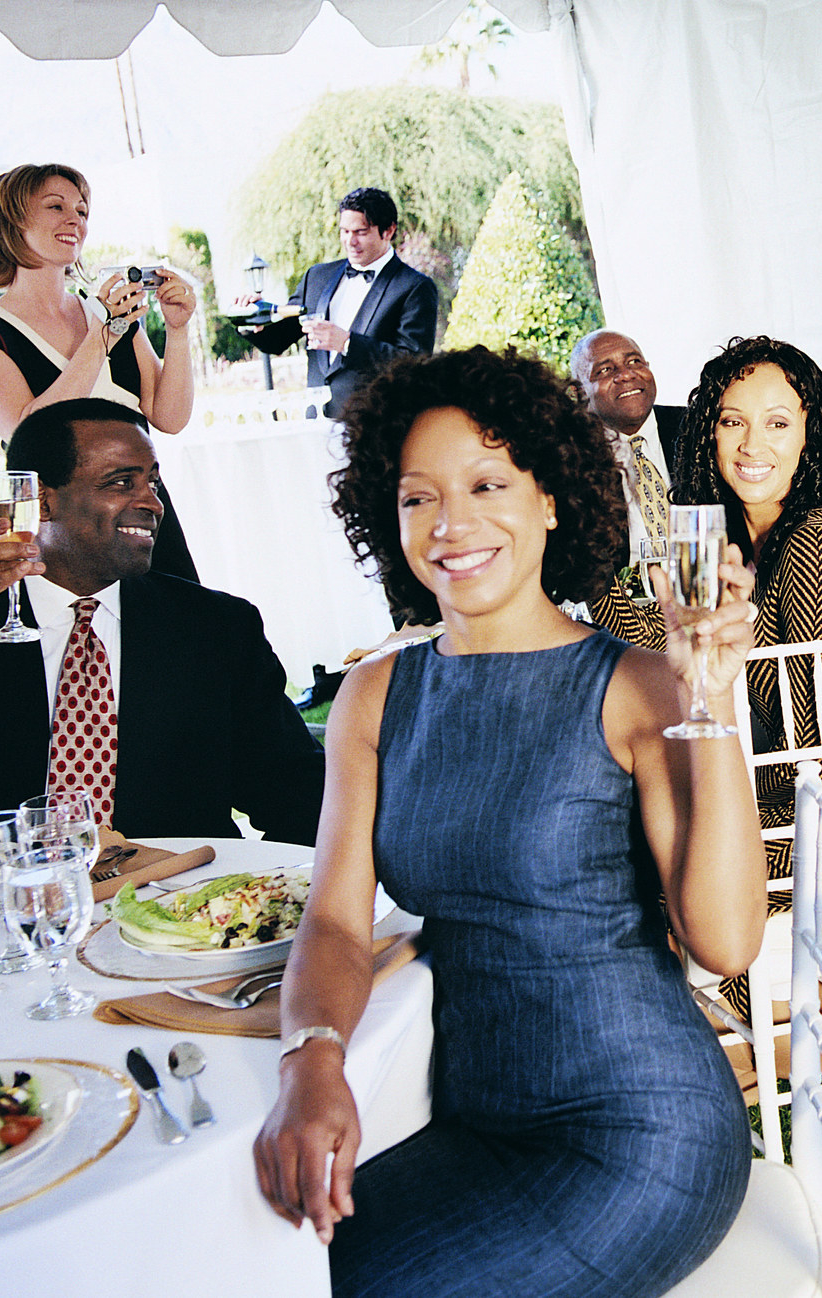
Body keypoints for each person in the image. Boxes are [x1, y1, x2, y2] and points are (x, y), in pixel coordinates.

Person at [252, 347, 763, 1297]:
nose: (451, 524)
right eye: (416, 497)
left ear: (552, 499)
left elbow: (725, 943)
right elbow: (330, 921)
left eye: (488, 483)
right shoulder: (373, 694)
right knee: (261, 1266)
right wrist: (310, 1059)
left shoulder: (632, 684)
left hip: (640, 1135)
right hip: (468, 1122)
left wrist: (713, 705)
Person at [588, 335, 822, 1006]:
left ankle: (772, 1041)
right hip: (773, 808)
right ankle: (761, 1028)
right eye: (731, 421)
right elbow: (662, 647)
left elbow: (820, 764)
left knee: (659, 868)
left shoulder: (818, 540)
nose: (752, 445)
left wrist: (703, 806)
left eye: (777, 422)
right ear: (706, 434)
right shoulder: (704, 536)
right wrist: (594, 552)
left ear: (810, 433)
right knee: (625, 849)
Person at [0, 399, 324, 843]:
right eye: (121, 483)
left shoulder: (217, 629)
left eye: (153, 483)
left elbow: (299, 794)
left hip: (172, 901)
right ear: (40, 502)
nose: (151, 502)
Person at [0, 161, 201, 580]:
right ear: (11, 220)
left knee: (175, 631)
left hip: (144, 511)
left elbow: (170, 418)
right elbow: (27, 433)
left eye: (82, 211)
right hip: (61, 529)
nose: (75, 220)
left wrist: (177, 331)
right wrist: (103, 333)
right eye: (55, 206)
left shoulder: (105, 313)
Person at [239, 188, 438, 418]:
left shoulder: (414, 287)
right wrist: (252, 320)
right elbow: (277, 340)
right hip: (313, 427)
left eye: (360, 232)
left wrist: (347, 343)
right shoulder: (317, 277)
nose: (350, 241)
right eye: (344, 231)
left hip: (376, 429)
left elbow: (413, 364)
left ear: (389, 230)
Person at [570, 327, 686, 564]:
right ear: (580, 393)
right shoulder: (573, 459)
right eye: (604, 370)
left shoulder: (695, 428)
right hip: (619, 597)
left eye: (634, 361)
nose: (625, 375)